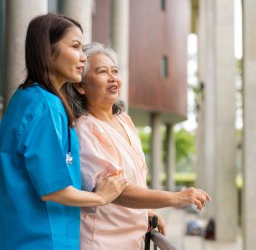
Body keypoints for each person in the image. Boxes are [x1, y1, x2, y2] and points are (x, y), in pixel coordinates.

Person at [64, 42, 211, 249]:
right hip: (103, 241)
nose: (113, 77)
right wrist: (176, 197)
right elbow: (117, 191)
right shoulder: (85, 129)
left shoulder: (124, 120)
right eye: (102, 72)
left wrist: (145, 213)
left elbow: (134, 181)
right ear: (80, 86)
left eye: (115, 71)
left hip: (133, 239)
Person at [0, 14, 128, 250]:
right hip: (40, 240)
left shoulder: (27, 98)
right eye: (75, 46)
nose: (83, 58)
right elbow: (54, 190)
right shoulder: (44, 105)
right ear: (47, 50)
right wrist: (102, 197)